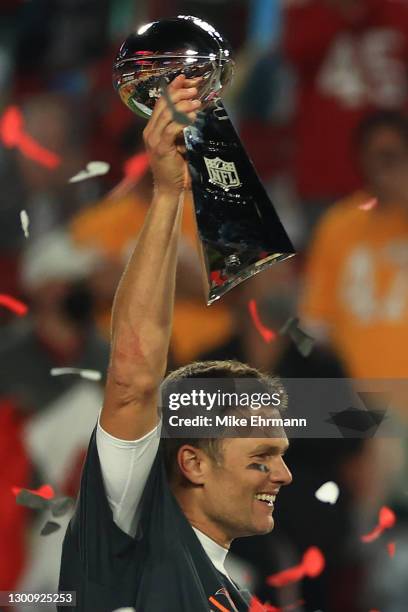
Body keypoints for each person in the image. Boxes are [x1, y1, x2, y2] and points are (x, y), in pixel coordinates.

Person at [58, 74, 292, 612]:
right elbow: (134, 378)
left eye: (277, 454)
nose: (284, 474)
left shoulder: (241, 601)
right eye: (261, 457)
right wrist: (168, 194)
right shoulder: (128, 535)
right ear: (193, 464)